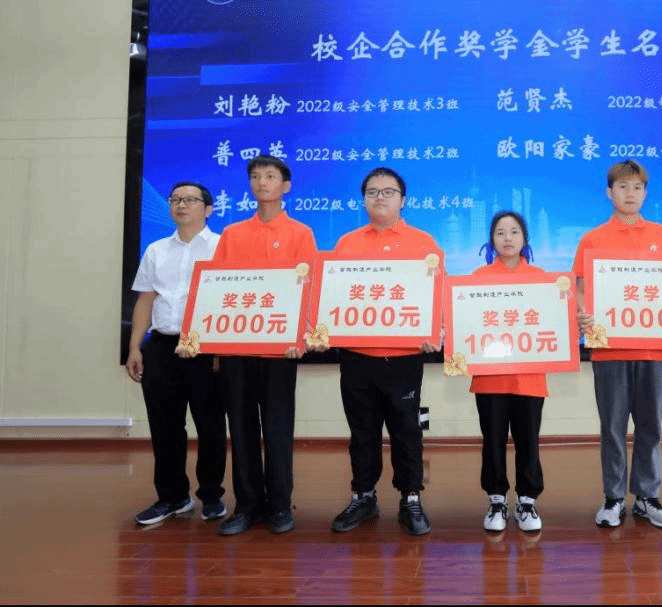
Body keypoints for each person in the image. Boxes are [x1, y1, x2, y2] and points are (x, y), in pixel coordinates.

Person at [203, 155, 318, 535]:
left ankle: (280, 505)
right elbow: (218, 291)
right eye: (255, 176)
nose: (262, 182)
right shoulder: (232, 234)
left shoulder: (301, 233)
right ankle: (248, 505)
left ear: (286, 186)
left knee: (277, 428)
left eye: (270, 176)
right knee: (240, 428)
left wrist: (300, 337)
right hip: (236, 349)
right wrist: (215, 346)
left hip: (280, 350)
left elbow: (308, 289)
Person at [326, 167, 442, 536]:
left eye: (388, 191)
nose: (380, 197)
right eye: (372, 191)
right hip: (357, 355)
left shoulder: (423, 243)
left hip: (404, 356)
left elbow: (436, 297)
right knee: (362, 431)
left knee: (407, 430)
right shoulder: (346, 243)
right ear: (363, 199)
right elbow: (333, 297)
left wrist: (434, 330)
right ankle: (363, 496)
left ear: (403, 200)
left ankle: (411, 498)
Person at [574, 159, 662, 529]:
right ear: (609, 192)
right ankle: (614, 497)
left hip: (654, 348)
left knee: (651, 426)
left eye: (637, 187)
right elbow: (580, 289)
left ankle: (648, 497)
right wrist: (583, 315)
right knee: (613, 427)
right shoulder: (593, 239)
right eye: (622, 187)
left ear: (645, 193)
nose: (630, 193)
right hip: (609, 350)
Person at [127, 181, 227, 525]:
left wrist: (221, 350)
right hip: (161, 346)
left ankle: (211, 495)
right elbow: (145, 299)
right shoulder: (156, 250)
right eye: (175, 200)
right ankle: (172, 497)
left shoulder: (222, 246)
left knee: (210, 425)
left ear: (208, 209)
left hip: (206, 348)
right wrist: (135, 346)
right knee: (165, 426)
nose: (181, 205)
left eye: (190, 200)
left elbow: (229, 301)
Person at [472, 211, 547, 533]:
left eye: (514, 232)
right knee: (493, 442)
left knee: (528, 440)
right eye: (500, 232)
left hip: (530, 378)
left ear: (525, 238)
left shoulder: (543, 279)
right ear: (492, 240)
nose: (507, 238)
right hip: (490, 378)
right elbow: (468, 322)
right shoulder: (478, 278)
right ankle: (497, 499)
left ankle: (527, 501)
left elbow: (553, 322)